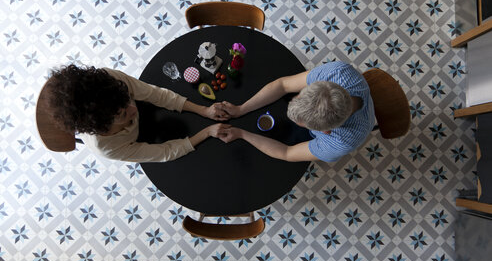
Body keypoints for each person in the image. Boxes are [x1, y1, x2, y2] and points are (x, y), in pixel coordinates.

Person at [46, 64, 230, 162]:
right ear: (104, 127)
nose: (134, 108)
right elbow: (164, 152)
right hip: (145, 138)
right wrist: (206, 132)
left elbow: (155, 94)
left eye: (128, 100)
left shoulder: (111, 80)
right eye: (123, 115)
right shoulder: (107, 148)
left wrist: (204, 110)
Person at [218, 61, 375, 162]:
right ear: (320, 84)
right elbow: (283, 85)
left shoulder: (340, 143)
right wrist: (240, 109)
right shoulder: (338, 72)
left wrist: (241, 134)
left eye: (303, 123)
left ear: (326, 131)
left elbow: (287, 153)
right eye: (298, 97)